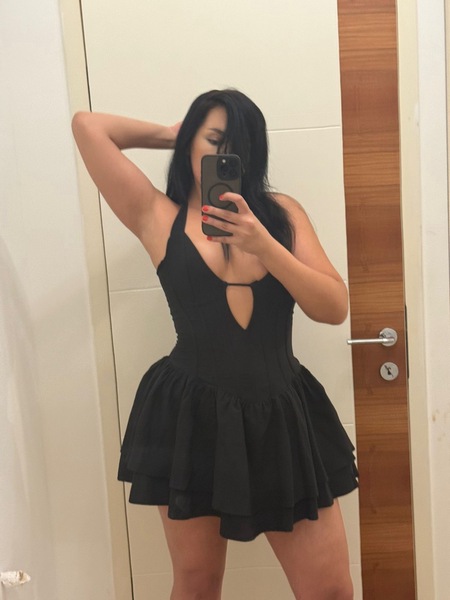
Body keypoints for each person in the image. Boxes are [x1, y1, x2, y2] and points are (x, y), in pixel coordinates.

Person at [72, 89, 358, 600]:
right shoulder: (156, 216)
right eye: (214, 140)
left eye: (237, 144)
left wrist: (264, 245)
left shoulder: (282, 215)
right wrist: (175, 134)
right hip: (190, 418)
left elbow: (334, 308)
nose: (226, 153)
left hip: (282, 418)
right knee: (198, 585)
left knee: (330, 590)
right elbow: (88, 126)